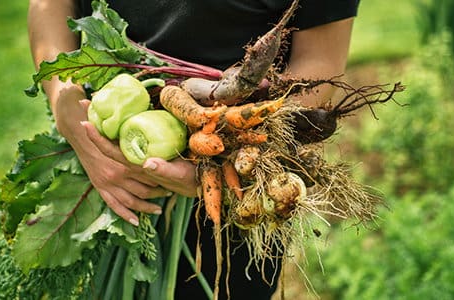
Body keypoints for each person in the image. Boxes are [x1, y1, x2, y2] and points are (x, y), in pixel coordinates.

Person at [27, 0, 359, 298]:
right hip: (98, 159)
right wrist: (65, 104)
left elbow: (320, 59)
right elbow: (49, 6)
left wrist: (217, 156)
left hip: (238, 185)